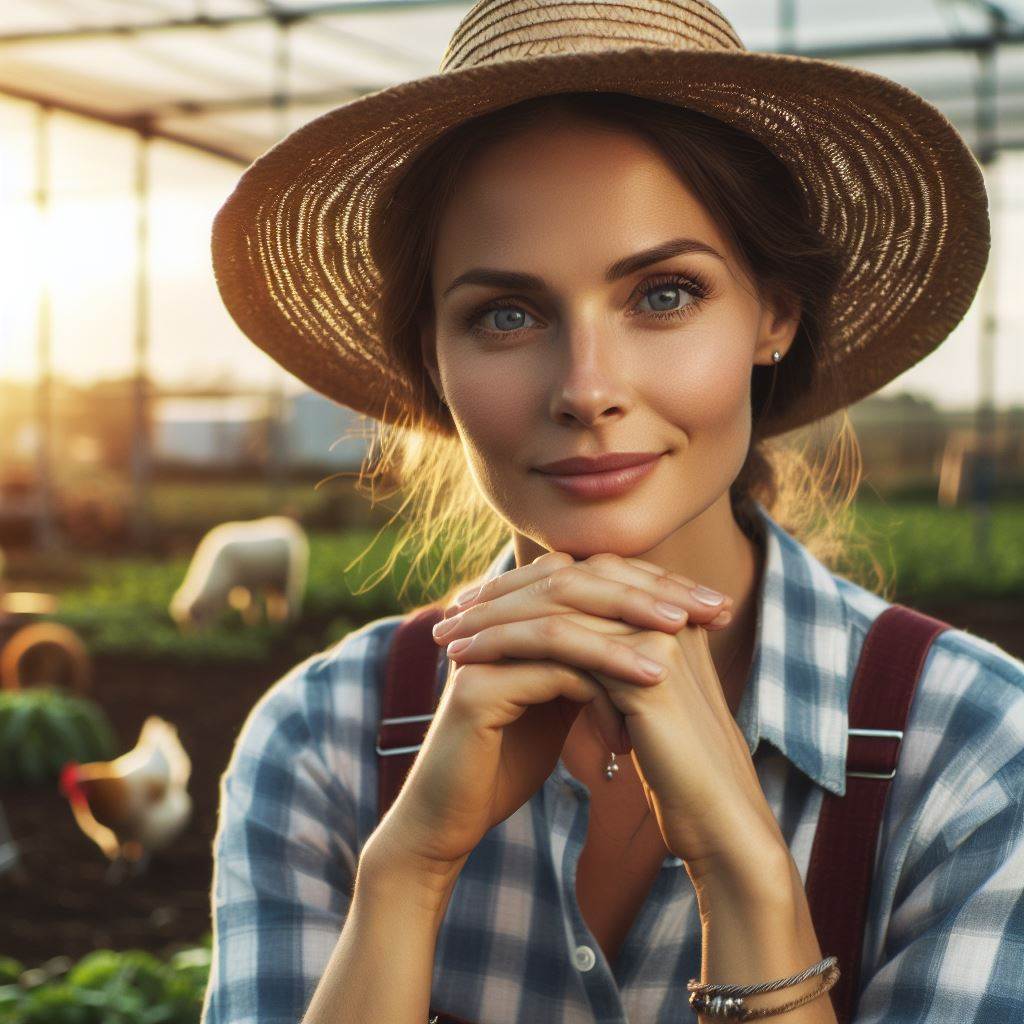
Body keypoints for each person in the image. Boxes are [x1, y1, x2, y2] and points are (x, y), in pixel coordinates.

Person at [200, 2, 1022, 1022]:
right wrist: (405, 875)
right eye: (506, 313)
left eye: (665, 294)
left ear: (772, 313)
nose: (587, 387)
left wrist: (746, 873)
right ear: (431, 358)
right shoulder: (321, 742)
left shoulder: (983, 752)